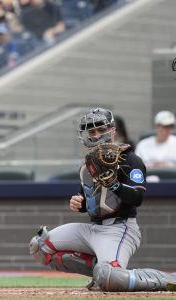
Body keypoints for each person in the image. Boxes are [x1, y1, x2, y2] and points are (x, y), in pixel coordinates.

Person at [29, 108, 176, 292]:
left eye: (101, 129)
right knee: (40, 246)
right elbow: (91, 201)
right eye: (92, 131)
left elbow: (137, 198)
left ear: (112, 130)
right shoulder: (88, 164)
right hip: (93, 228)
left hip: (120, 228)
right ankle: (101, 268)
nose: (96, 134)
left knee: (112, 280)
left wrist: (113, 183)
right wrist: (79, 203)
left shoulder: (131, 159)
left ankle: (166, 279)